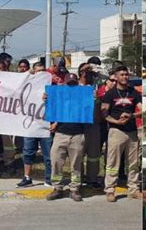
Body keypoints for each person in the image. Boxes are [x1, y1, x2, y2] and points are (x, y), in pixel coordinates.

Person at [102, 65, 142, 202]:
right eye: (122, 74)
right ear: (116, 77)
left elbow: (143, 109)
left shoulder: (134, 93)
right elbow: (104, 113)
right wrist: (116, 122)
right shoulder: (110, 94)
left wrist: (132, 115)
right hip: (116, 131)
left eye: (126, 74)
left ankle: (134, 189)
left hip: (131, 132)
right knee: (113, 163)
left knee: (133, 163)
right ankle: (110, 190)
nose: (125, 77)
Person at [46, 73, 88, 202]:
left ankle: (74, 189)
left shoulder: (83, 98)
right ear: (64, 84)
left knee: (76, 165)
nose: (71, 87)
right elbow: (49, 108)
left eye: (73, 84)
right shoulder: (58, 97)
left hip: (77, 135)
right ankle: (57, 188)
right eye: (69, 84)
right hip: (60, 134)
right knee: (56, 162)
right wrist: (46, 99)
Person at [16, 64, 52, 188]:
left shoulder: (50, 87)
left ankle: (49, 178)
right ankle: (27, 177)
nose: (41, 73)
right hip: (30, 125)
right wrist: (31, 72)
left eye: (43, 71)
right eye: (38, 71)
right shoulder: (27, 86)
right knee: (28, 152)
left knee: (48, 154)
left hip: (45, 126)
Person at [78, 63, 102, 188]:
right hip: (78, 126)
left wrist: (97, 100)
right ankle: (79, 178)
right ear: (82, 73)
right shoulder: (72, 86)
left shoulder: (97, 87)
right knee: (78, 154)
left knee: (94, 155)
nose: (91, 74)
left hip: (93, 126)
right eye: (88, 72)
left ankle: (92, 179)